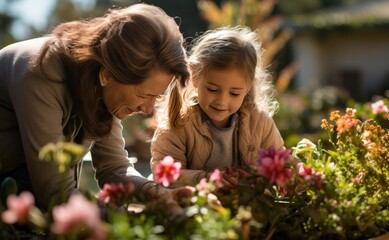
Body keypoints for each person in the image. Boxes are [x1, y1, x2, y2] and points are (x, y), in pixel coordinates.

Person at [0, 3, 192, 210]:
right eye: (143, 95)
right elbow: (55, 194)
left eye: (156, 96)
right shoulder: (39, 72)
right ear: (107, 75)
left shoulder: (104, 89)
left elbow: (114, 168)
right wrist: (125, 222)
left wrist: (157, 194)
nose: (147, 109)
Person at [150, 26, 284, 188]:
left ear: (248, 87)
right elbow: (163, 173)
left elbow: (282, 161)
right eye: (213, 90)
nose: (222, 101)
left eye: (234, 93)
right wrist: (206, 179)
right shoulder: (178, 122)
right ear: (194, 77)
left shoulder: (259, 122)